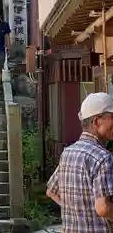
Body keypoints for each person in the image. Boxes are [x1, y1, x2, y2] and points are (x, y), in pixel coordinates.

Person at [47, 92, 113, 232]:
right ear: (96, 122)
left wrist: (75, 212)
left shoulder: (68, 152)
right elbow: (103, 208)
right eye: (112, 118)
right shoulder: (103, 158)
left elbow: (51, 191)